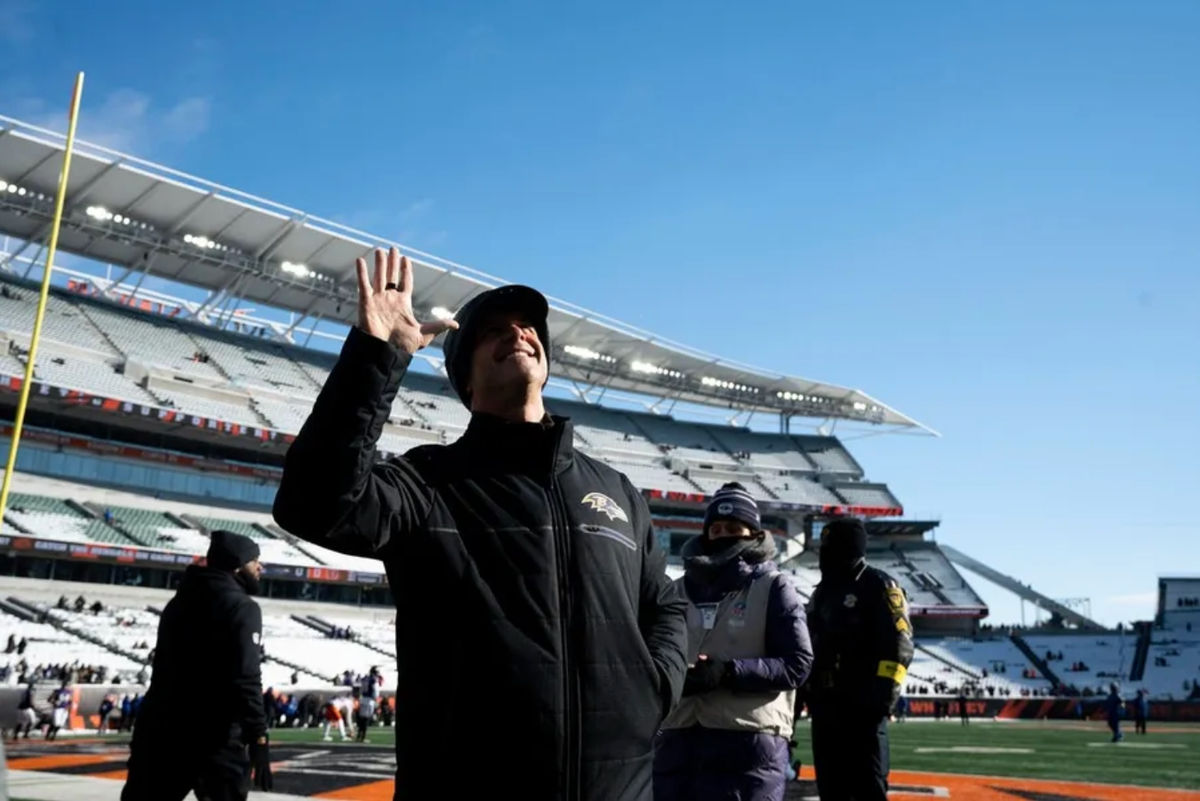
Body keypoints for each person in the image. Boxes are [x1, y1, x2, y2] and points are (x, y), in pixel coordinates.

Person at [273, 247, 688, 800]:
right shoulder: (427, 482)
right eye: (493, 331)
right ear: (464, 379)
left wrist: (655, 687)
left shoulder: (616, 492)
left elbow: (666, 604)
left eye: (525, 326)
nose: (516, 334)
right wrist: (381, 355)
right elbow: (312, 502)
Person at [653, 483, 813, 801]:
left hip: (747, 741)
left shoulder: (774, 586)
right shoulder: (677, 589)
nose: (722, 534)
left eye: (733, 527)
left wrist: (728, 672)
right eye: (716, 528)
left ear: (752, 533)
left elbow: (798, 663)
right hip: (679, 737)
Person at [121, 531, 273, 801]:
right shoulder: (242, 607)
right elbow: (246, 677)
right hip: (214, 737)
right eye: (255, 560)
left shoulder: (178, 602)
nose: (260, 567)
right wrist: (259, 737)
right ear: (237, 564)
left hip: (159, 730)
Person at [806, 517, 913, 801]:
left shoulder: (878, 584)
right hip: (825, 711)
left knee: (868, 790)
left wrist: (881, 700)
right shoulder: (821, 594)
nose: (825, 554)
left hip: (863, 711)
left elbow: (900, 646)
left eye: (832, 547)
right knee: (831, 791)